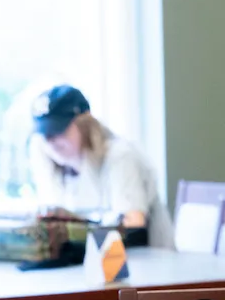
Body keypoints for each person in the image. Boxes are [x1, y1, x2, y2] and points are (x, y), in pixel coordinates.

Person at [29, 84, 174, 248]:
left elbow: (134, 226)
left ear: (84, 124)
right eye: (44, 134)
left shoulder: (120, 157)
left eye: (57, 131)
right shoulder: (58, 172)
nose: (50, 141)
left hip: (144, 261)